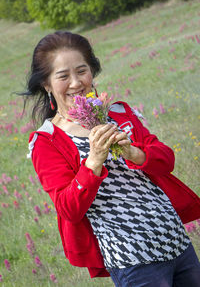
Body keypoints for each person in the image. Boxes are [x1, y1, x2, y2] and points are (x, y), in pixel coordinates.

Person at [23, 31, 200, 287]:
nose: (75, 83)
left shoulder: (119, 112)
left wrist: (132, 152)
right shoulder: (47, 140)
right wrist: (94, 160)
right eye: (63, 76)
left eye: (81, 71)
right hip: (134, 261)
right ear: (47, 84)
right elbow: (68, 208)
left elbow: (166, 160)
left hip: (176, 242)